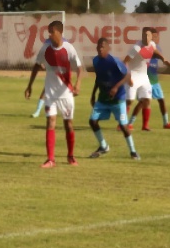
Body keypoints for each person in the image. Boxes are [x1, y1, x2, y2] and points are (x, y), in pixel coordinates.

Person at [24, 20, 82, 168]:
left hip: (66, 94)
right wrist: (29, 86)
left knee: (68, 124)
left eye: (52, 32)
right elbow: (36, 67)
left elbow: (79, 68)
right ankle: (50, 159)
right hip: (50, 93)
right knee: (50, 123)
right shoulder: (45, 49)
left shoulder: (69, 49)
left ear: (59, 32)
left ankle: (70, 156)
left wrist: (78, 84)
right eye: (48, 32)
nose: (49, 35)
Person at [89, 38, 140, 160]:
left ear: (108, 48)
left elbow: (127, 76)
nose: (100, 49)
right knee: (92, 121)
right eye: (99, 47)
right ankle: (103, 146)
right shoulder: (96, 61)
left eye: (103, 47)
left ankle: (133, 151)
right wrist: (93, 94)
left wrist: (116, 87)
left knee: (123, 126)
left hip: (117, 99)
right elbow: (99, 78)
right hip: (102, 99)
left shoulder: (114, 61)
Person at [122, 27, 170, 131]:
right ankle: (124, 123)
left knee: (147, 100)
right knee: (129, 101)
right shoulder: (136, 48)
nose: (146, 37)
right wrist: (128, 76)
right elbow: (124, 61)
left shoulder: (153, 46)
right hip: (134, 77)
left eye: (148, 35)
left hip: (145, 78)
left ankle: (145, 126)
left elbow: (162, 58)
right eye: (144, 35)